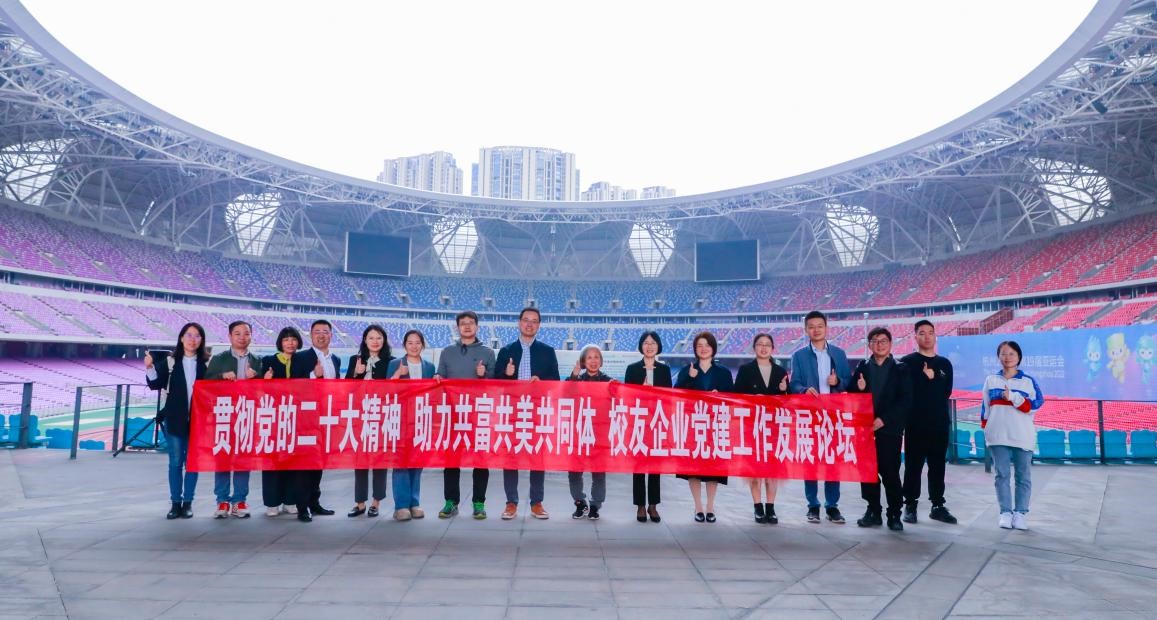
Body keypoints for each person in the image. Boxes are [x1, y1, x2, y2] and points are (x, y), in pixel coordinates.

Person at [494, 307, 560, 520]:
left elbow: (556, 382)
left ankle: (537, 502)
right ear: (519, 323)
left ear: (538, 325)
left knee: (537, 456)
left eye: (534, 321)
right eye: (526, 320)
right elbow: (496, 383)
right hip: (512, 411)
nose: (529, 324)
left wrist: (542, 382)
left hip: (537, 411)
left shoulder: (547, 351)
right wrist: (507, 374)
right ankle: (511, 502)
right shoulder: (506, 351)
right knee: (510, 456)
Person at [789, 310, 852, 524]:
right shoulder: (799, 356)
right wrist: (803, 390)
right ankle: (813, 505)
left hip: (833, 416)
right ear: (806, 330)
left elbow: (848, 381)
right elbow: (794, 383)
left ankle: (832, 506)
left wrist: (838, 382)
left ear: (826, 328)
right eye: (811, 327)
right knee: (811, 461)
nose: (816, 330)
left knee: (833, 461)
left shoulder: (839, 354)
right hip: (810, 415)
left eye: (820, 326)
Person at [145, 322, 208, 520]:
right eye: (189, 335)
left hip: (198, 422)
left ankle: (187, 503)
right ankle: (175, 503)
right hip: (174, 420)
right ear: (181, 338)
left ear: (201, 340)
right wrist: (149, 367)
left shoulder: (207, 364)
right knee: (175, 462)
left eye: (197, 336)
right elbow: (155, 384)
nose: (192, 339)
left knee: (193, 464)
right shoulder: (171, 362)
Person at [436, 311, 495, 520]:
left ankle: (479, 502)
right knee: (451, 459)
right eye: (463, 323)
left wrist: (484, 375)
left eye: (471, 323)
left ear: (477, 327)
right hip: (453, 414)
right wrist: (437, 377)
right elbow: (440, 377)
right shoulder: (447, 352)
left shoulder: (488, 353)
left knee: (481, 459)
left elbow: (496, 384)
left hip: (479, 414)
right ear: (457, 327)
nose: (467, 326)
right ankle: (451, 501)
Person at [850, 327, 910, 531]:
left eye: (883, 341)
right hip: (865, 429)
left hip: (890, 429)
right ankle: (873, 510)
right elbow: (851, 394)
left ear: (890, 344)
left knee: (890, 472)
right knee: (867, 472)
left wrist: (884, 420)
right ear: (869, 345)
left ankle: (894, 513)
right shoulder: (862, 367)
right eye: (875, 341)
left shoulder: (901, 368)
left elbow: (905, 400)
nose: (879, 344)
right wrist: (858, 388)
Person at [900, 319, 958, 524]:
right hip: (915, 424)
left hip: (939, 423)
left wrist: (933, 379)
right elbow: (904, 393)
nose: (927, 337)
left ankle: (937, 505)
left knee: (938, 465)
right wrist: (925, 379)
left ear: (935, 336)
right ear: (915, 336)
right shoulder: (906, 362)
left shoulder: (944, 364)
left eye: (930, 333)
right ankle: (910, 505)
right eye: (922, 333)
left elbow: (945, 392)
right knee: (913, 466)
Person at [982, 341, 1043, 531]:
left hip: (1022, 435)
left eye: (1011, 354)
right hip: (997, 436)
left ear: (1019, 357)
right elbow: (985, 409)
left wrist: (1013, 397)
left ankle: (1020, 514)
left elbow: (1034, 406)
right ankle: (1005, 513)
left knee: (1023, 476)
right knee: (1001, 475)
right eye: (1003, 353)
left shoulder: (1028, 381)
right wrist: (987, 429)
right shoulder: (991, 380)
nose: (1007, 357)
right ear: (998, 356)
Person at [675, 331, 733, 523]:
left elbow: (733, 397)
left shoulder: (723, 372)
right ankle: (698, 506)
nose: (703, 348)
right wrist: (689, 378)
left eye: (707, 345)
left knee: (713, 467)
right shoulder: (687, 370)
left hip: (715, 425)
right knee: (693, 467)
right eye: (699, 345)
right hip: (693, 425)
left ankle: (710, 506)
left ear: (713, 348)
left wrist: (720, 394)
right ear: (695, 349)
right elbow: (675, 394)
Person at [205, 320, 261, 519]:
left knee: (243, 459)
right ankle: (222, 500)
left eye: (246, 333)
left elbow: (264, 389)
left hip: (247, 415)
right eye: (237, 333)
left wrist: (259, 378)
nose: (242, 337)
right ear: (229, 336)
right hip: (224, 415)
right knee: (222, 457)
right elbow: (206, 384)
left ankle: (239, 500)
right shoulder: (219, 359)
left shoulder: (258, 361)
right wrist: (221, 376)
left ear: (251, 336)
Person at [733, 332, 789, 525]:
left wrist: (783, 391)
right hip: (752, 425)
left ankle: (770, 507)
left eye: (767, 345)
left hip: (774, 426)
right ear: (754, 348)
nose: (764, 348)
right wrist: (752, 399)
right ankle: (758, 506)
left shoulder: (780, 371)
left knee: (772, 469)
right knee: (754, 468)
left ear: (772, 348)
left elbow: (787, 400)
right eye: (760, 344)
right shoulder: (745, 370)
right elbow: (737, 395)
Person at [293, 319, 341, 522]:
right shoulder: (301, 357)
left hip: (326, 417)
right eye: (317, 332)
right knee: (305, 464)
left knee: (319, 462)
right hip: (306, 418)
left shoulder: (335, 359)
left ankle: (314, 502)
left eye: (325, 332)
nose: (321, 335)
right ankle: (302, 507)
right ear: (311, 335)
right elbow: (294, 384)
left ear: (331, 335)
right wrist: (314, 375)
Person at [385, 329, 435, 521]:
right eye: (410, 343)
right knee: (401, 463)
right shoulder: (395, 364)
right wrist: (398, 375)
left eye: (417, 343)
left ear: (423, 345)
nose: (414, 346)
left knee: (417, 462)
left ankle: (414, 502)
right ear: (404, 345)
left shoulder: (429, 367)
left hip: (421, 419)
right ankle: (401, 505)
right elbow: (386, 392)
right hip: (400, 419)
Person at [259, 326, 309, 518]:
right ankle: (272, 502)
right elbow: (258, 389)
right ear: (280, 342)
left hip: (295, 418)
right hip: (273, 418)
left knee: (293, 461)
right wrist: (265, 380)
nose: (290, 343)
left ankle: (290, 500)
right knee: (272, 461)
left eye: (294, 339)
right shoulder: (269, 361)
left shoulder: (302, 361)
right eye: (286, 339)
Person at [623, 331, 671, 524]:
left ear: (658, 346)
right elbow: (627, 396)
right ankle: (640, 506)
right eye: (646, 343)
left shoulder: (664, 370)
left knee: (655, 466)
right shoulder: (632, 369)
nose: (649, 346)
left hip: (657, 422)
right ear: (641, 346)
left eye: (653, 343)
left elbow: (669, 396)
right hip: (638, 422)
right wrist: (640, 391)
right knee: (639, 466)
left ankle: (653, 505)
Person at [345, 324, 392, 518]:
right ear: (365, 340)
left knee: (380, 459)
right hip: (360, 415)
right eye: (371, 338)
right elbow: (346, 388)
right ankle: (360, 502)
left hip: (381, 416)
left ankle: (376, 502)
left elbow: (394, 389)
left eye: (379, 337)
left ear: (384, 340)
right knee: (360, 460)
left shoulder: (391, 362)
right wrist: (357, 374)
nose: (375, 341)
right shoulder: (355, 360)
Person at [566, 344, 613, 521]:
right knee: (574, 471)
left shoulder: (609, 381)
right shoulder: (576, 380)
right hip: (578, 432)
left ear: (601, 360)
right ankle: (580, 503)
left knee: (598, 472)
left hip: (599, 433)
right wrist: (574, 374)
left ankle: (595, 505)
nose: (593, 361)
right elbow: (565, 392)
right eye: (589, 357)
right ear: (583, 361)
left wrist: (616, 388)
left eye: (596, 357)